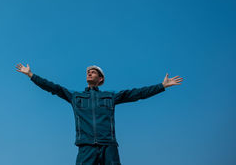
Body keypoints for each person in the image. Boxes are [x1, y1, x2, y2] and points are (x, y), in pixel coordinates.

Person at [15, 63, 183, 165]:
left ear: (101, 79)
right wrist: (31, 75)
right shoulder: (76, 96)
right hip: (86, 146)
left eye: (93, 72)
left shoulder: (110, 96)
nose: (89, 73)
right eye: (88, 71)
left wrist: (161, 86)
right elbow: (53, 87)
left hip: (108, 146)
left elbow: (137, 94)